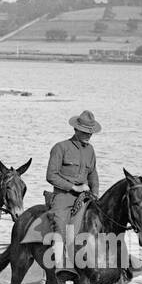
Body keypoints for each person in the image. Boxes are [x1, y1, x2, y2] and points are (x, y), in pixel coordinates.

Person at [45, 109, 102, 271]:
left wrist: (95, 192)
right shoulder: (60, 148)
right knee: (60, 228)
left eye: (90, 133)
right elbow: (51, 175)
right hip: (63, 196)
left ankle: (118, 264)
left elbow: (93, 175)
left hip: (86, 197)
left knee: (107, 220)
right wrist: (74, 187)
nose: (87, 135)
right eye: (84, 132)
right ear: (76, 129)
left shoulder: (90, 151)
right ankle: (59, 267)